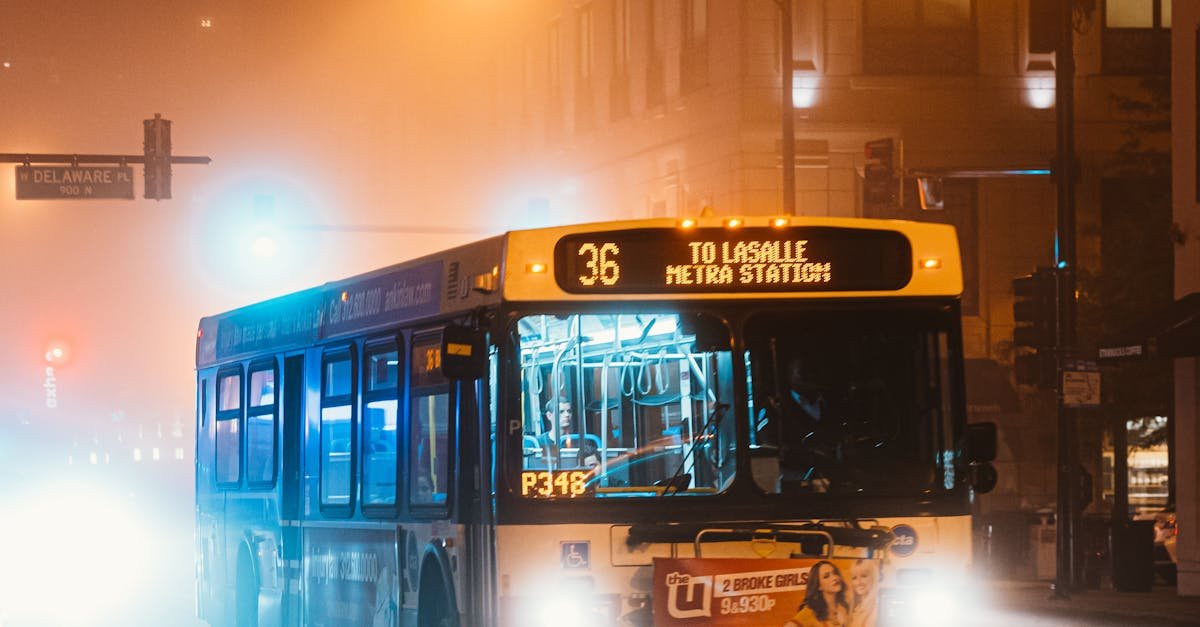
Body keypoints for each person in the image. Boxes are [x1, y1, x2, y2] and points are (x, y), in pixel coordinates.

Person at [785, 560, 849, 627]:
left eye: (835, 573)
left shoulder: (845, 607)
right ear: (819, 586)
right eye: (826, 576)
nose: (835, 578)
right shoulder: (810, 612)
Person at [847, 559, 880, 627]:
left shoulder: (876, 606)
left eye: (863, 576)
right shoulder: (857, 606)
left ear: (874, 577)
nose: (858, 582)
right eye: (854, 578)